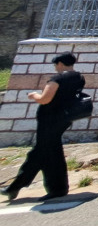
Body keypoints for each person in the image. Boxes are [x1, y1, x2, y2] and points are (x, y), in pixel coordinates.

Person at [1, 52, 85, 202]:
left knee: (43, 153)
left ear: (60, 63)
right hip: (64, 119)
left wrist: (34, 95)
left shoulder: (58, 79)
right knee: (47, 152)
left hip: (50, 120)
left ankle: (52, 189)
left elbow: (45, 99)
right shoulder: (79, 77)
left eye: (55, 65)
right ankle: (17, 187)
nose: (55, 67)